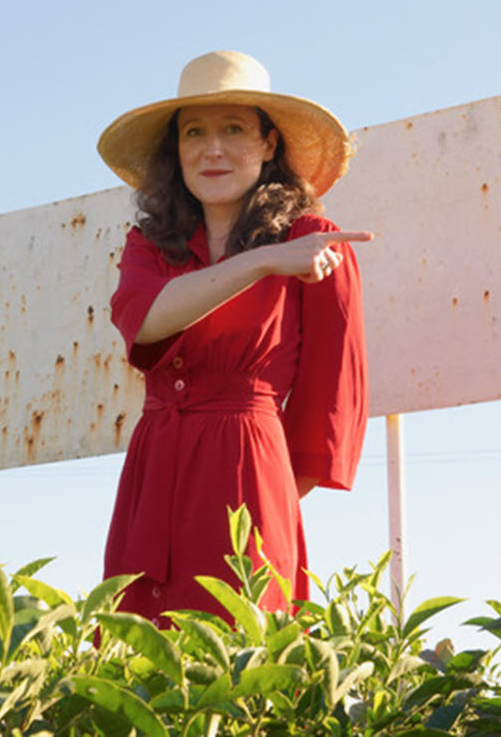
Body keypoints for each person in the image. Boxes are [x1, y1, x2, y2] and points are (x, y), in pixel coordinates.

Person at [96, 50, 371, 625]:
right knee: (138, 662)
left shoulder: (317, 241)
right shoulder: (148, 246)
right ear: (176, 149)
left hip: (250, 476)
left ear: (270, 143)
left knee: (241, 662)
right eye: (193, 131)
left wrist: (262, 495)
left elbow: (331, 408)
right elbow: (146, 323)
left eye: (234, 129)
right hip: (152, 479)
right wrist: (267, 262)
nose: (211, 148)